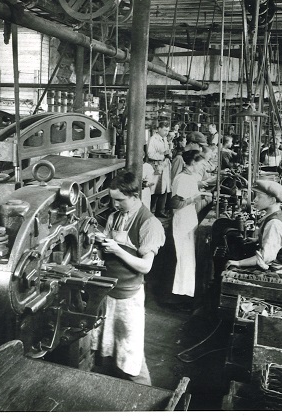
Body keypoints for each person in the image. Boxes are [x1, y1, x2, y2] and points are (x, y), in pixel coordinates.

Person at [91, 171, 166, 386]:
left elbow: (145, 266)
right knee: (106, 344)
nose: (114, 204)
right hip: (107, 291)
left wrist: (116, 249)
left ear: (134, 195)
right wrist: (100, 242)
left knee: (130, 350)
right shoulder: (115, 217)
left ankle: (144, 392)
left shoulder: (149, 224)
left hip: (128, 296)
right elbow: (106, 248)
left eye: (120, 199)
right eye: (113, 199)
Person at [225, 180, 282, 275]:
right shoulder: (279, 215)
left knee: (230, 273)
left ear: (272, 200)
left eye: (259, 196)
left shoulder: (274, 223)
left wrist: (238, 263)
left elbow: (264, 258)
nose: (255, 200)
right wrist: (257, 240)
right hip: (276, 265)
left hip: (279, 272)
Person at [169, 150, 213, 305]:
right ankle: (179, 298)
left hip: (189, 220)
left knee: (188, 260)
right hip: (183, 222)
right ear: (193, 163)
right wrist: (195, 198)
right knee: (184, 260)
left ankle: (186, 295)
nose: (202, 167)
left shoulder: (189, 178)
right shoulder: (182, 178)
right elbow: (174, 203)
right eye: (201, 164)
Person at [146, 121, 172, 218]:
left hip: (164, 166)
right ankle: (150, 210)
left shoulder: (164, 138)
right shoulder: (153, 139)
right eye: (165, 130)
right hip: (156, 167)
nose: (166, 132)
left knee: (164, 189)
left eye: (167, 130)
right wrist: (163, 155)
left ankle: (159, 211)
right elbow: (150, 154)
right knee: (155, 189)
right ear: (159, 129)